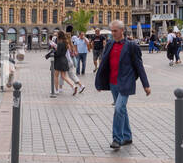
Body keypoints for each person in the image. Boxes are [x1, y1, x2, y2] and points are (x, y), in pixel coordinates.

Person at [94, 19, 150, 149]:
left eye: (115, 31)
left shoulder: (132, 46)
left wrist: (145, 85)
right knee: (122, 110)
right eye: (112, 31)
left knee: (118, 108)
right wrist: (99, 83)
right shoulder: (109, 44)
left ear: (122, 30)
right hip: (113, 83)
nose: (113, 33)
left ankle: (117, 139)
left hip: (126, 83)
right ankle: (127, 136)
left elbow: (139, 66)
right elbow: (104, 64)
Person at [51, 29, 82, 97]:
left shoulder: (60, 43)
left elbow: (58, 53)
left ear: (59, 36)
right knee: (64, 76)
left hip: (59, 61)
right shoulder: (65, 43)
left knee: (56, 76)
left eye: (57, 35)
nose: (56, 36)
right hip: (65, 60)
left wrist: (54, 51)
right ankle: (73, 86)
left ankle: (56, 90)